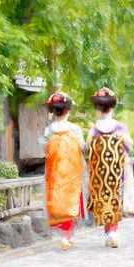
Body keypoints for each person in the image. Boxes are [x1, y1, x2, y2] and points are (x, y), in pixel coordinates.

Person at [86, 87, 133, 248]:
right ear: (113, 106)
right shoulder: (120, 127)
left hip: (100, 172)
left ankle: (109, 232)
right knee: (115, 198)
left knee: (104, 198)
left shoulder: (94, 128)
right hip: (117, 170)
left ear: (98, 107)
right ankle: (112, 232)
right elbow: (129, 146)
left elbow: (87, 148)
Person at [39, 92, 85, 251]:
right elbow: (82, 147)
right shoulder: (75, 130)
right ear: (68, 109)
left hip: (55, 173)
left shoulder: (48, 131)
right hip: (72, 173)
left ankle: (66, 235)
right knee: (71, 201)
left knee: (58, 201)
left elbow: (44, 148)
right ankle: (67, 236)